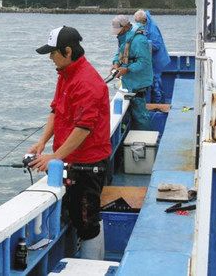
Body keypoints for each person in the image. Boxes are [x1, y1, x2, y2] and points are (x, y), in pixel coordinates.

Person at [27, 26, 111, 260]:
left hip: (89, 165)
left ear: (67, 51)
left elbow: (83, 129)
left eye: (52, 53)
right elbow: (56, 111)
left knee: (87, 221)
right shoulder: (64, 75)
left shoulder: (87, 82)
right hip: (69, 160)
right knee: (77, 215)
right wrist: (42, 143)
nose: (50, 58)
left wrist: (54, 157)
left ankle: (92, 267)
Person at [110, 15, 153, 130]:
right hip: (128, 82)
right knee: (131, 112)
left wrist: (127, 69)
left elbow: (144, 62)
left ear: (126, 27)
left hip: (139, 82)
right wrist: (115, 63)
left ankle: (144, 136)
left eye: (118, 30)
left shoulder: (139, 40)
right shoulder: (124, 38)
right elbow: (119, 53)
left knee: (141, 115)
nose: (117, 33)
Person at [134, 9, 171, 104]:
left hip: (157, 60)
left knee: (156, 83)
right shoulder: (145, 26)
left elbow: (156, 45)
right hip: (150, 60)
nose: (137, 24)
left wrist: (144, 43)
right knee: (153, 82)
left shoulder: (152, 28)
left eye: (138, 22)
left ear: (143, 21)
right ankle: (154, 102)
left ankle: (158, 104)